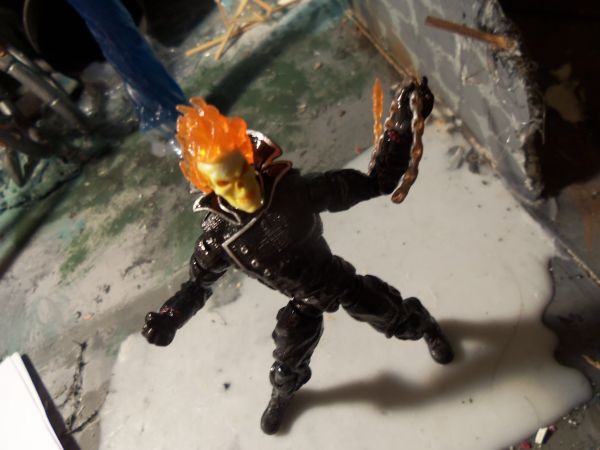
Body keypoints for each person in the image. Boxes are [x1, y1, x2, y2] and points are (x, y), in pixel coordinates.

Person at [142, 79, 453, 434]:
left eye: (242, 172)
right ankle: (282, 394)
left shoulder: (293, 191)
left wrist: (402, 126)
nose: (242, 188)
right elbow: (197, 286)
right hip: (302, 303)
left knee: (397, 318)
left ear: (250, 160)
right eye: (226, 184)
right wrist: (170, 317)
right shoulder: (220, 240)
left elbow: (375, 183)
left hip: (340, 281)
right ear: (210, 188)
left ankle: (427, 326)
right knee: (286, 365)